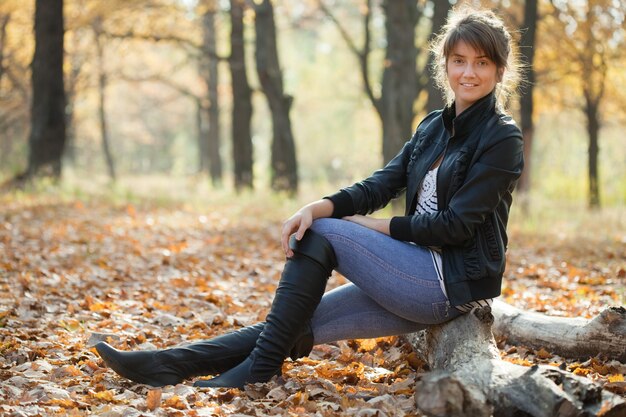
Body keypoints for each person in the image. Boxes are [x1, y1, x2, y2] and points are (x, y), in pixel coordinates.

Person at [96, 6, 524, 389]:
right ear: (445, 65)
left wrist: (371, 226)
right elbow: (381, 185)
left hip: (449, 283)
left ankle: (258, 373)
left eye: (481, 63)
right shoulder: (432, 126)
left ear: (500, 71)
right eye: (459, 61)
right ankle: (169, 363)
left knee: (323, 234)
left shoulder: (501, 138)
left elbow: (455, 226)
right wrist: (316, 206)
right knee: (289, 323)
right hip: (411, 273)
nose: (468, 73)